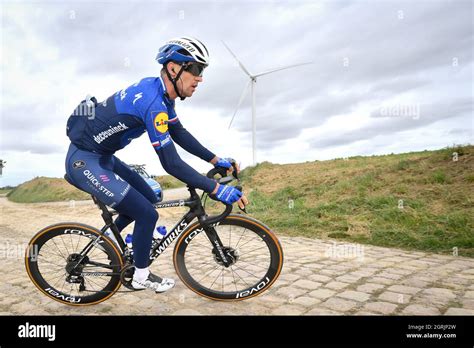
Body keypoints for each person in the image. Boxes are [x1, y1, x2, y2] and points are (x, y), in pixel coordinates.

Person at [65, 37, 249, 293]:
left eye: (202, 71)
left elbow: (179, 133)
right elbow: (171, 163)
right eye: (195, 69)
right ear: (174, 68)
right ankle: (140, 275)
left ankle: (106, 242)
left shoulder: (161, 95)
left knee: (149, 196)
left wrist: (216, 160)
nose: (200, 79)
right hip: (84, 161)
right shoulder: (152, 103)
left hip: (104, 157)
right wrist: (215, 189)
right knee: (147, 214)